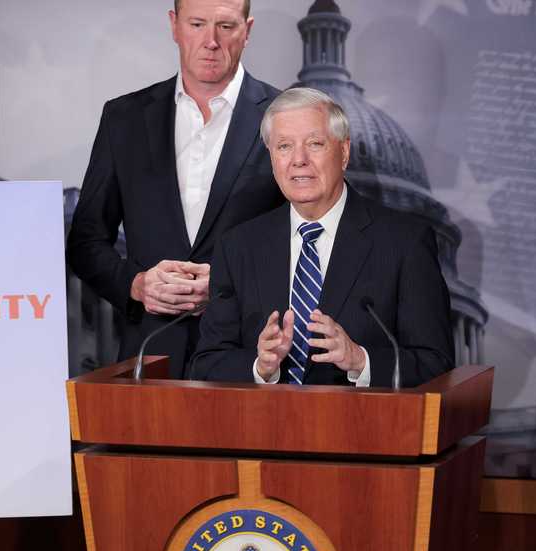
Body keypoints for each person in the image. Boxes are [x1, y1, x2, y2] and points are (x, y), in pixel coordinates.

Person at [66, 0, 285, 378]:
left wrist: (227, 287)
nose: (211, 41)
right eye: (197, 24)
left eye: (226, 27)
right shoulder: (125, 119)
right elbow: (85, 242)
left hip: (252, 361)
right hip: (150, 357)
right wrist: (135, 285)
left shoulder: (286, 117)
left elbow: (312, 240)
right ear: (174, 25)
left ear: (247, 31)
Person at [190, 87, 454, 387]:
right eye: (284, 146)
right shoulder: (238, 247)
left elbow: (436, 364)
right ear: (271, 157)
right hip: (260, 428)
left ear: (343, 152)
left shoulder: (404, 243)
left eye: (314, 144)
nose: (298, 160)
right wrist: (260, 367)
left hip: (361, 428)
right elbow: (207, 363)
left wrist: (360, 360)